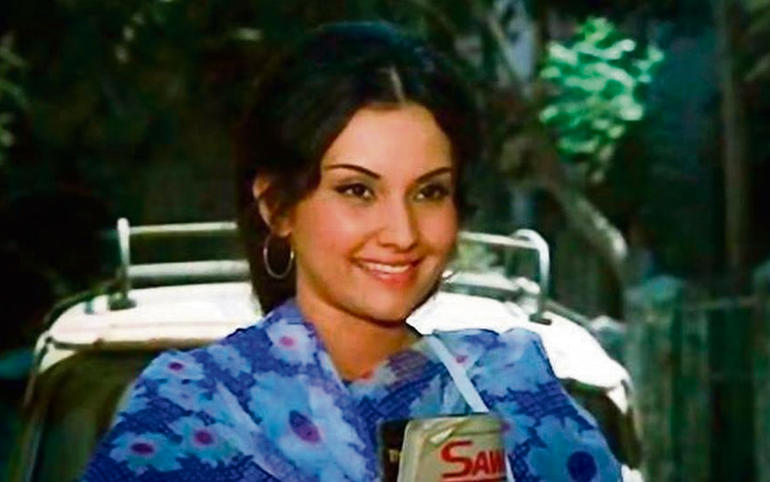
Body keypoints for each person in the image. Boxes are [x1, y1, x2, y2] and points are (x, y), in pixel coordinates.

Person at [81, 21, 621, 481]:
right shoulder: (191, 411)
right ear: (277, 206)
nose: (402, 233)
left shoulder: (512, 395)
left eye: (429, 192)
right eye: (357, 190)